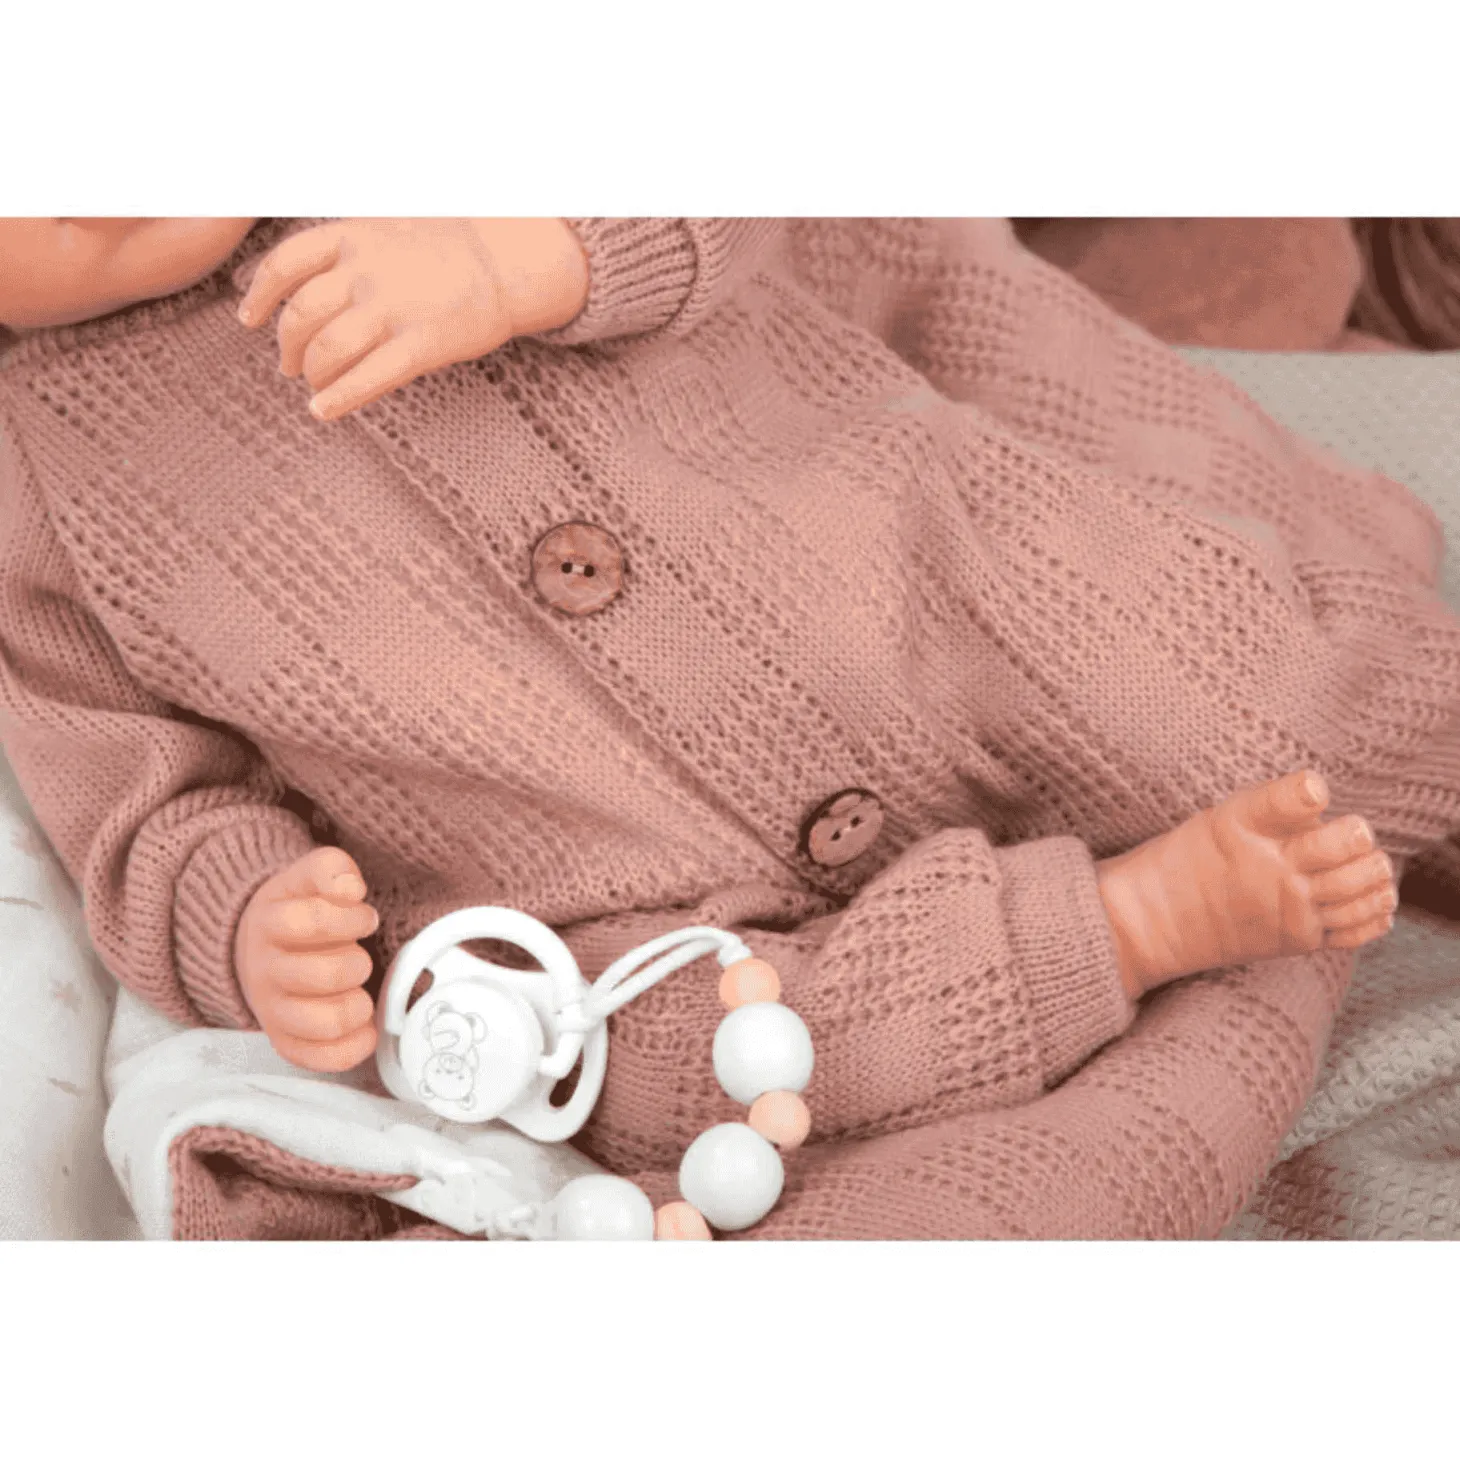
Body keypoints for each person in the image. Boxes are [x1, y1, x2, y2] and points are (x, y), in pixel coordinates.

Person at [0, 216, 1453, 1239]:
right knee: (662, 1075)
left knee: (1226, 677)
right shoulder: (31, 484)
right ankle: (1121, 929)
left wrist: (528, 252)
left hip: (899, 592)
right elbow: (142, 798)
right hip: (626, 890)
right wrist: (249, 920)